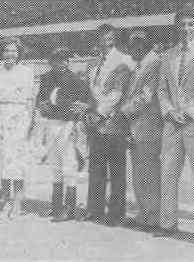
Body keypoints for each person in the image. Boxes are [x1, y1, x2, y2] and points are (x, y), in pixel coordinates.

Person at [154, 8, 194, 248]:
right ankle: (168, 223)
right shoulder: (167, 55)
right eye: (182, 24)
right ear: (176, 26)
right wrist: (169, 111)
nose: (186, 29)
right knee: (168, 173)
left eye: (190, 24)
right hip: (172, 123)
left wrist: (190, 113)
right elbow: (161, 89)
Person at [84, 24, 133, 226]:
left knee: (117, 169)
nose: (104, 40)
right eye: (101, 37)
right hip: (94, 124)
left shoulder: (123, 60)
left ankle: (116, 213)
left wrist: (99, 113)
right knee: (95, 167)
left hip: (114, 122)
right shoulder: (92, 63)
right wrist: (89, 113)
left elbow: (117, 94)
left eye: (108, 37)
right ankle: (94, 210)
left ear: (113, 38)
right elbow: (89, 91)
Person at [36, 48, 91, 222]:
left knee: (69, 163)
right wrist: (41, 105)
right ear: (51, 62)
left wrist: (80, 108)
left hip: (68, 124)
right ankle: (56, 205)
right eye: (58, 60)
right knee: (55, 164)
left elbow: (87, 100)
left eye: (66, 60)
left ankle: (70, 207)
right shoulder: (46, 78)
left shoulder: (76, 79)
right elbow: (40, 98)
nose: (63, 63)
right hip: (51, 123)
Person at [0, 37, 35, 219]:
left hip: (20, 117)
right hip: (0, 116)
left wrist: (30, 123)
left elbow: (30, 99)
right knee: (3, 160)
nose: (10, 54)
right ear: (1, 53)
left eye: (13, 51)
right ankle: (6, 201)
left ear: (19, 53)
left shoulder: (27, 71)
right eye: (6, 51)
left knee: (17, 161)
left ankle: (18, 202)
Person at [120, 28, 163, 232]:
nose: (136, 47)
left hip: (149, 127)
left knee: (150, 173)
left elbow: (146, 97)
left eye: (140, 44)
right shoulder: (139, 66)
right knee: (139, 172)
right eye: (132, 44)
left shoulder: (154, 64)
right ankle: (143, 215)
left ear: (147, 45)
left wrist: (123, 112)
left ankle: (153, 217)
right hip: (137, 128)